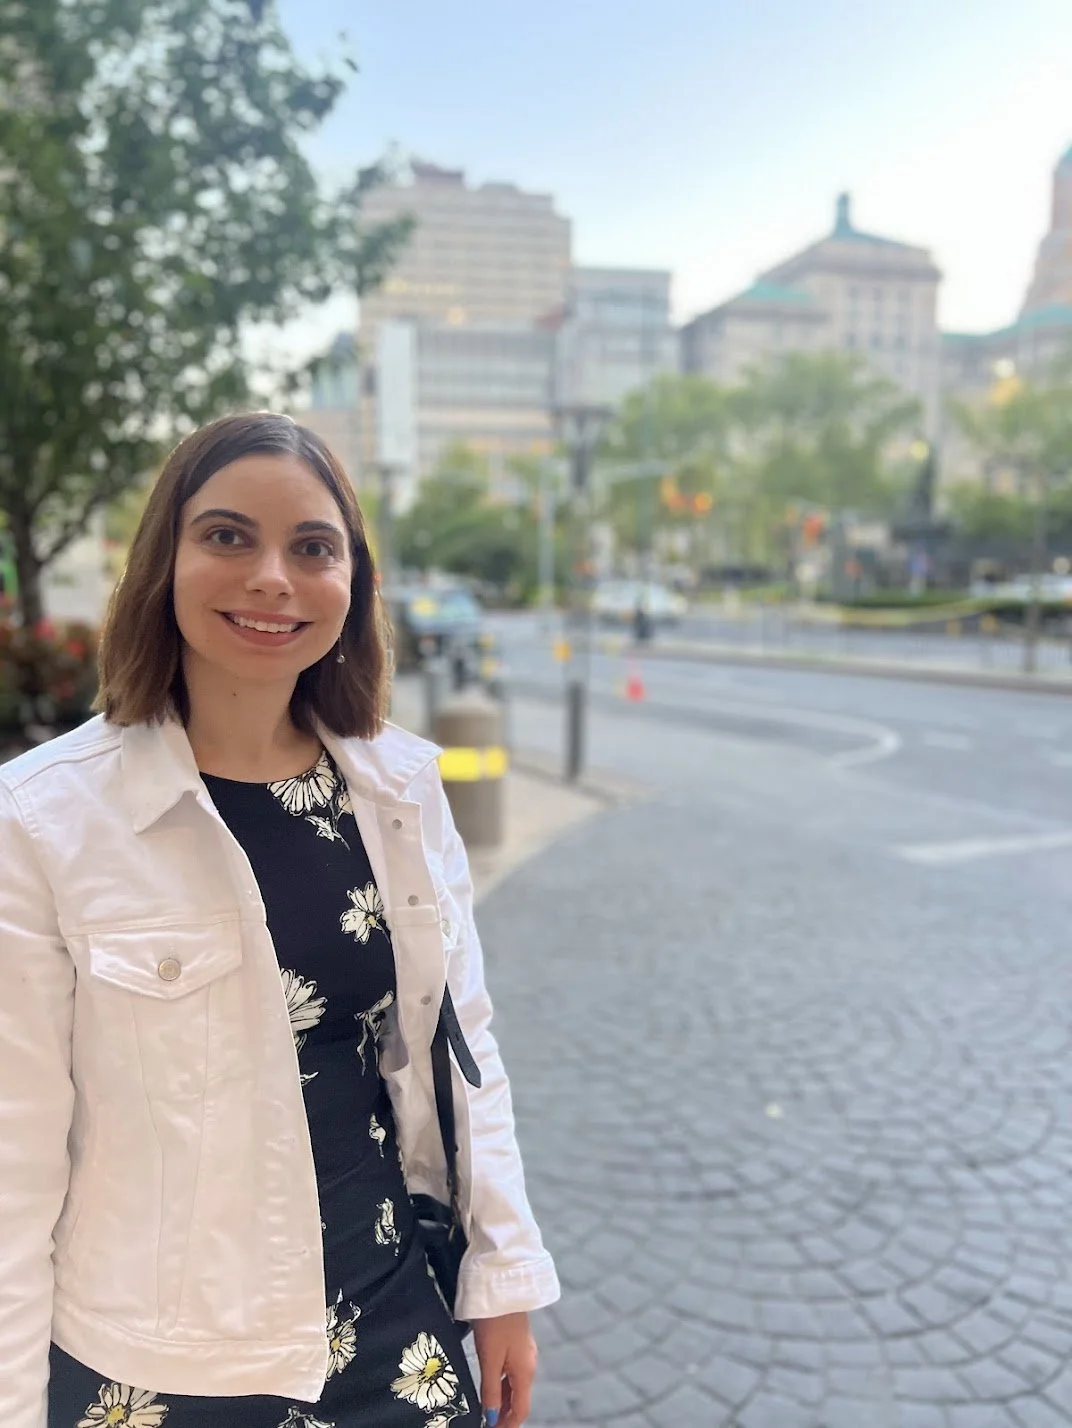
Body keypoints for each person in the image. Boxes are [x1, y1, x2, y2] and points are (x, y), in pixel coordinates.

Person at [0, 413, 559, 1428]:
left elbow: (463, 1043)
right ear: (162, 564)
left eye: (313, 548)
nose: (272, 578)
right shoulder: (42, 820)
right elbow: (11, 1160)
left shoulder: (399, 789)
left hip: (391, 1309)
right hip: (160, 1358)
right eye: (225, 537)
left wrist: (503, 1278)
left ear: (352, 585)